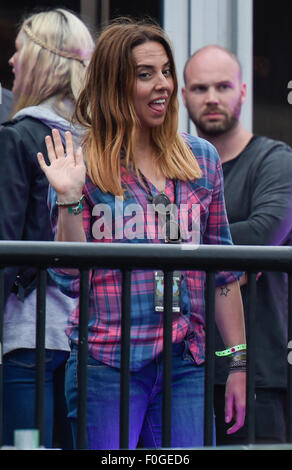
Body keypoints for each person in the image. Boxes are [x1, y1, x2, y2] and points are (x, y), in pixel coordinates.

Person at [37, 19, 246, 450]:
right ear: (114, 82)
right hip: (106, 363)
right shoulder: (79, 160)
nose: (163, 85)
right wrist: (70, 197)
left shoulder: (200, 158)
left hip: (185, 363)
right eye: (145, 74)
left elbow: (223, 275)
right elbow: (68, 277)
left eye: (166, 71)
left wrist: (237, 363)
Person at [182, 44, 292, 445]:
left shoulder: (274, 160)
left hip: (259, 370)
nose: (211, 98)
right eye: (200, 88)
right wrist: (227, 264)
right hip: (183, 367)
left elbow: (264, 233)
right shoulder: (178, 170)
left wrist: (185, 250)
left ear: (243, 91)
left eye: (223, 86)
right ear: (183, 96)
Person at [0, 8, 94, 448]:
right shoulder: (106, 140)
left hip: (29, 334)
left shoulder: (18, 136)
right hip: (96, 337)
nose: (11, 63)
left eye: (20, 52)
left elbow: (5, 244)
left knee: (26, 447)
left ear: (42, 61)